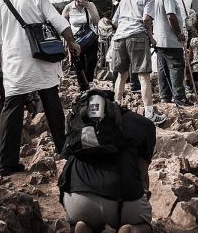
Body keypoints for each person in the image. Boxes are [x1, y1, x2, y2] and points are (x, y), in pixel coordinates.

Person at [0, 0, 81, 176]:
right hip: (43, 61)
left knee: (11, 110)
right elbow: (59, 22)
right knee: (52, 103)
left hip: (15, 66)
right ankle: (64, 150)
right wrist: (72, 43)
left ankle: (7, 164)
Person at [59, 96, 156, 233]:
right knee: (145, 226)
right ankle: (131, 229)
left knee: (80, 221)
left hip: (79, 199)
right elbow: (143, 176)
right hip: (124, 201)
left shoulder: (76, 122)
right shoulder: (144, 124)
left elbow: (66, 163)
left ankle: (83, 225)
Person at [111, 0, 166, 125]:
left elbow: (114, 21)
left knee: (121, 75)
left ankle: (116, 108)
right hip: (137, 35)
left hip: (120, 37)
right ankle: (149, 113)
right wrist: (151, 37)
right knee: (143, 76)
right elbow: (146, 19)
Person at [152, 0, 190, 106]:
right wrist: (179, 33)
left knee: (163, 69)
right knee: (176, 67)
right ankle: (179, 97)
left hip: (158, 38)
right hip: (170, 39)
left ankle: (165, 97)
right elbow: (171, 17)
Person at [62, 0, 100, 90]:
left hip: (90, 38)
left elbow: (96, 20)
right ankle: (83, 85)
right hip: (76, 40)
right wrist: (67, 38)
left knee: (92, 60)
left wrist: (88, 7)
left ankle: (90, 81)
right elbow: (62, 22)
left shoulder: (90, 5)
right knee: (79, 63)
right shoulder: (69, 7)